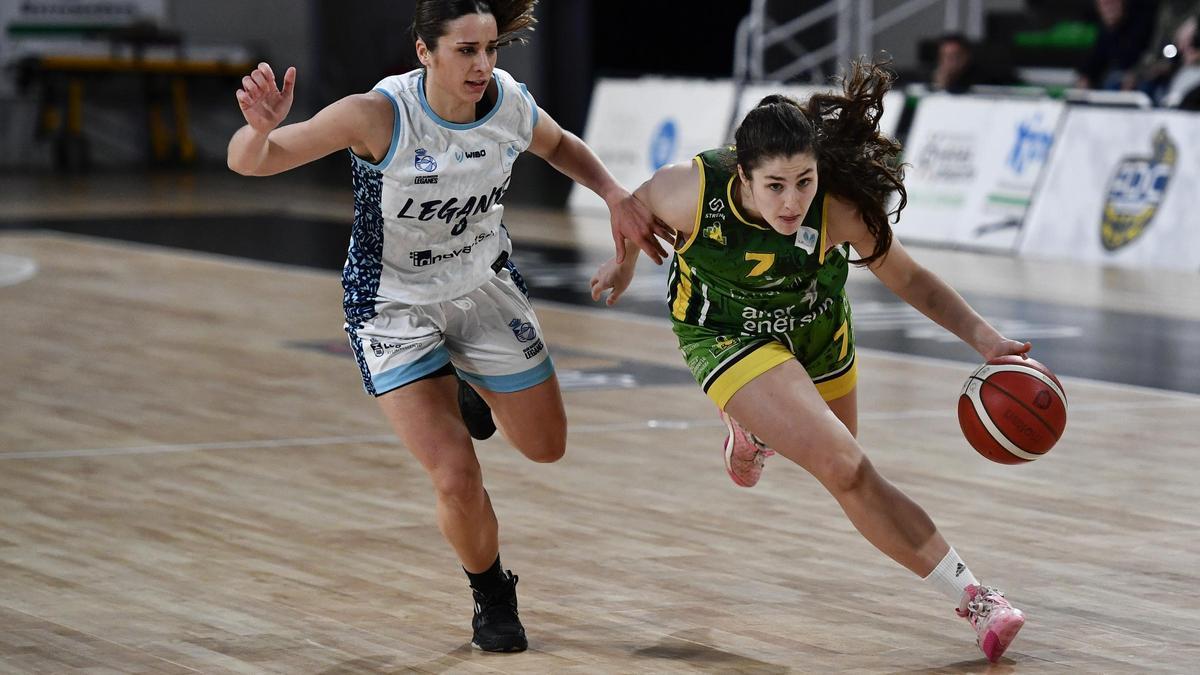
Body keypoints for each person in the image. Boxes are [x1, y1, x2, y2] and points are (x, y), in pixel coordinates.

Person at [227, 0, 667, 653]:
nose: (483, 64)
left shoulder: (508, 103)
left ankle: (464, 377)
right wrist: (261, 130)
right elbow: (250, 162)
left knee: (546, 445)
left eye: (490, 49)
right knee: (455, 474)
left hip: (483, 287)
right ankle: (490, 590)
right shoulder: (377, 114)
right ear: (424, 52)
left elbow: (560, 145)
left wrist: (614, 196)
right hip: (392, 304)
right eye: (466, 50)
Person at [590, 60, 1032, 663]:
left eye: (804, 180)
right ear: (742, 176)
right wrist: (622, 262)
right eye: (775, 185)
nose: (793, 200)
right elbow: (632, 209)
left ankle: (753, 427)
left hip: (817, 328)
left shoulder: (839, 208)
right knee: (846, 466)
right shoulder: (688, 190)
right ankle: (977, 599)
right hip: (725, 332)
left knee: (845, 460)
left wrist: (984, 338)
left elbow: (913, 281)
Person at [1078, 0, 1159, 90]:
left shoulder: (1145, 17)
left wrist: (1136, 74)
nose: (1108, 7)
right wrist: (1086, 76)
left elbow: (1149, 54)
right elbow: (1097, 57)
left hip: (1145, 74)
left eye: (1112, 2)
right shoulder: (1104, 28)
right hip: (1119, 75)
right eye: (1103, 4)